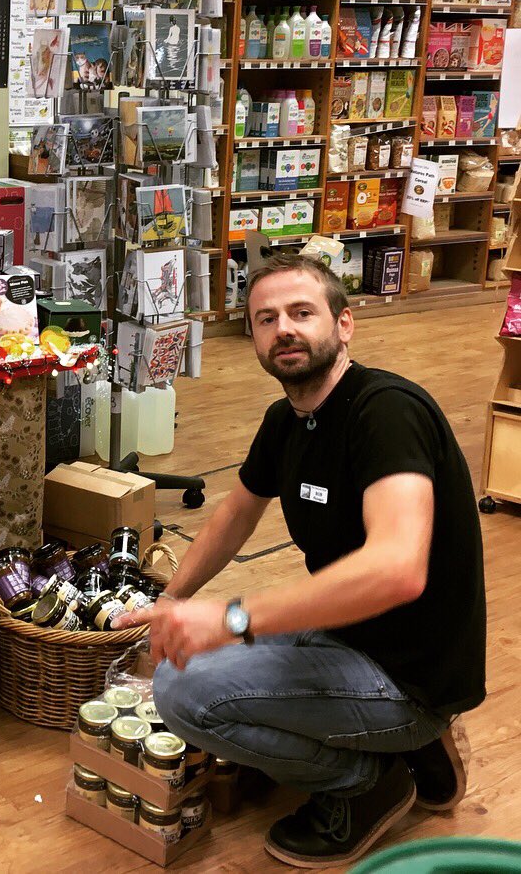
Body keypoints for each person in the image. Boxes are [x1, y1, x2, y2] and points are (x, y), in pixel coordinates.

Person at [115, 252, 485, 869]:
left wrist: (230, 619)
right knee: (192, 657)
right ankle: (400, 749)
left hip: (410, 676)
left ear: (344, 325)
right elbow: (236, 514)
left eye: (301, 312)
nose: (283, 328)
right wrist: (172, 600)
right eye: (266, 318)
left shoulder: (386, 413)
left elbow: (398, 567)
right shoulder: (288, 419)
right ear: (255, 338)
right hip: (354, 639)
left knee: (183, 694)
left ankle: (369, 781)